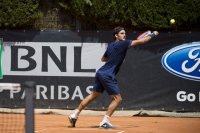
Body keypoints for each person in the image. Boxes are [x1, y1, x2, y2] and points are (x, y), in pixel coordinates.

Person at [68, 27, 159, 129]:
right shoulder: (124, 43)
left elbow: (103, 59)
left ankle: (74, 114)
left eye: (125, 33)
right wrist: (153, 34)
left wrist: (115, 57)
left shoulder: (111, 45)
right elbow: (142, 41)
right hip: (107, 74)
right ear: (116, 35)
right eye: (122, 33)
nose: (124, 35)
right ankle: (105, 121)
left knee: (93, 95)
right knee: (117, 99)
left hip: (100, 72)